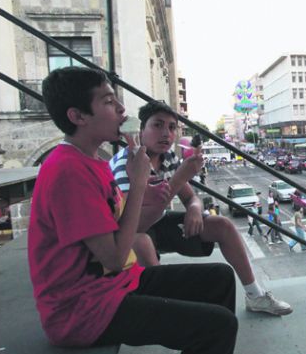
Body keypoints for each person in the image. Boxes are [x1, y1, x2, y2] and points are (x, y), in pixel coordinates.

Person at [30, 67, 237, 354]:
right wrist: (139, 183)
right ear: (78, 116)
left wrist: (159, 190)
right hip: (83, 309)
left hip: (114, 285)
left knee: (220, 278)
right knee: (218, 328)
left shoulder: (92, 160)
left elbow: (133, 225)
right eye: (110, 102)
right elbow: (113, 256)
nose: (122, 111)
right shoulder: (68, 170)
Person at [111, 100, 292, 316]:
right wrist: (180, 178)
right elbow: (134, 225)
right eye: (157, 125)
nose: (166, 133)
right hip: (128, 231)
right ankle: (168, 310)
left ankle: (255, 295)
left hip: (157, 220)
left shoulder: (168, 158)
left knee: (222, 225)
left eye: (171, 127)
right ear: (141, 130)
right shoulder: (126, 163)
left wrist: (195, 209)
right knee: (142, 242)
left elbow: (190, 197)